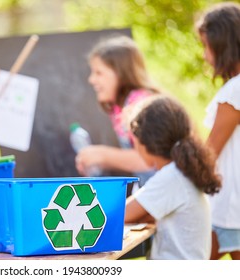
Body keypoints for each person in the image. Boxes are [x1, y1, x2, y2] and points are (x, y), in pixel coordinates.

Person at [124, 95, 221, 260]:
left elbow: (121, 213)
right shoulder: (183, 172)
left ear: (146, 141)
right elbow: (143, 212)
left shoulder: (172, 177)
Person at [75, 35, 159, 185]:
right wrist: (96, 160)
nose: (91, 79)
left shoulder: (142, 105)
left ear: (120, 73)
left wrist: (102, 155)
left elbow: (151, 159)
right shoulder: (119, 108)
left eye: (99, 73)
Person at [196, 2, 240, 260]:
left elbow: (210, 151)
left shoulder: (235, 91)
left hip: (231, 208)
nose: (204, 55)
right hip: (225, 205)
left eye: (205, 46)